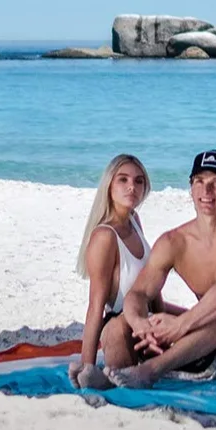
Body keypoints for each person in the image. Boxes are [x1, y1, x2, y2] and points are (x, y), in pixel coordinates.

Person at [96, 149, 216, 389]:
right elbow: (139, 293)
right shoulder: (175, 241)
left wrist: (181, 324)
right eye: (199, 182)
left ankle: (149, 371)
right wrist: (139, 323)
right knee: (117, 325)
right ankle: (115, 379)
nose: (207, 191)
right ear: (191, 188)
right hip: (212, 338)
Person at [68, 154, 155, 390]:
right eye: (123, 180)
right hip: (121, 326)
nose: (132, 187)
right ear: (109, 185)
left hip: (146, 318)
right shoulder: (105, 237)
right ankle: (98, 377)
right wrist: (87, 365)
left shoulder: (134, 220)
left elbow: (151, 284)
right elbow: (95, 306)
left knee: (207, 321)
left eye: (138, 181)